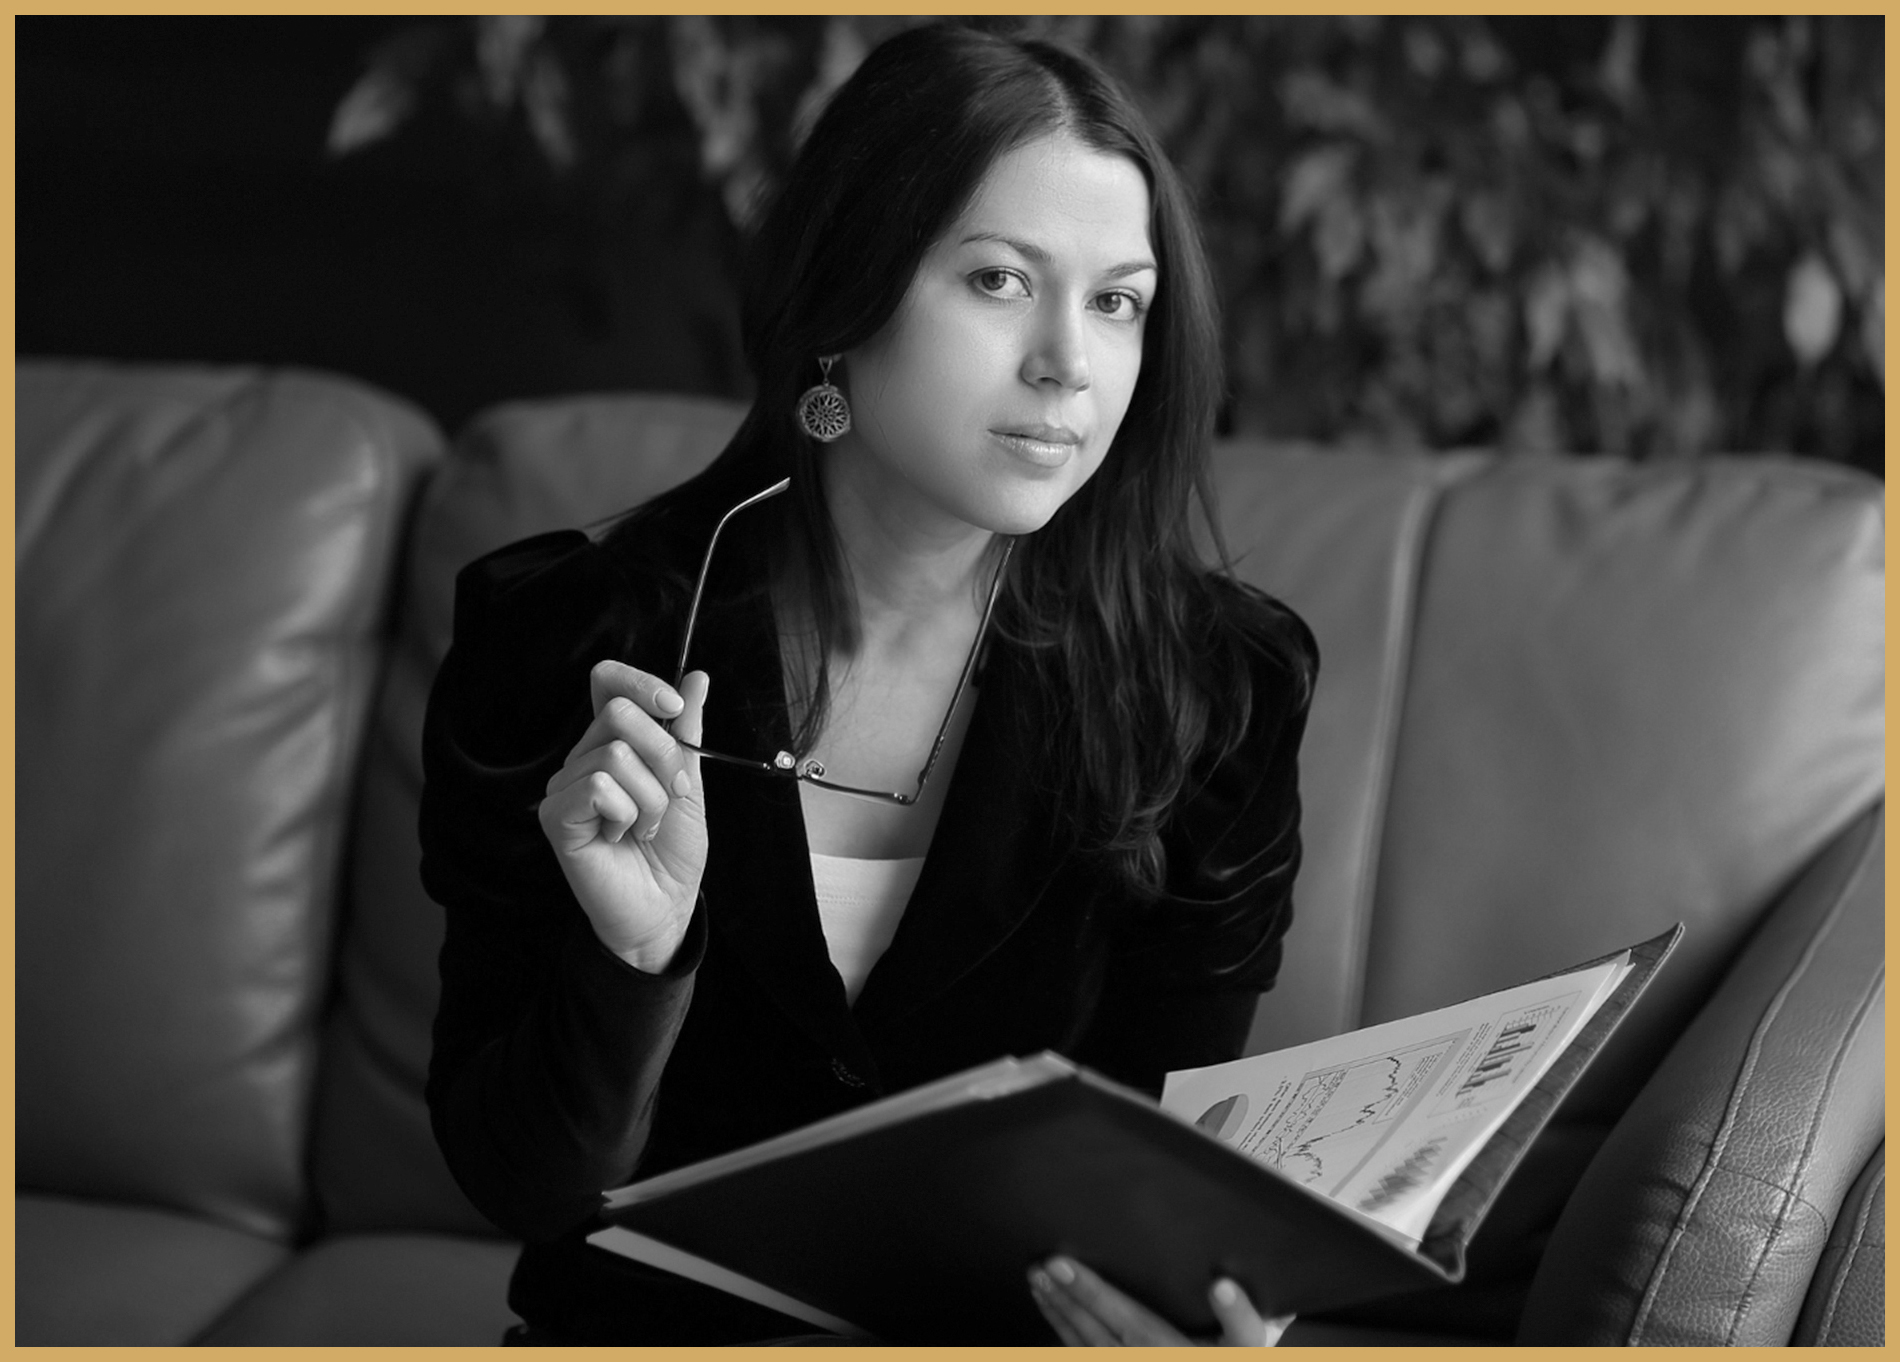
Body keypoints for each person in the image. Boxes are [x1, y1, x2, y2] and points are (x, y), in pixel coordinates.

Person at [420, 21, 1315, 1347]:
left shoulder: (1214, 691)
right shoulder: (571, 644)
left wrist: (1193, 1308)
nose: (1069, 362)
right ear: (844, 298)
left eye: (1118, 301)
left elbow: (1155, 1167)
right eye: (1001, 280)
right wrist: (632, 960)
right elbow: (524, 1186)